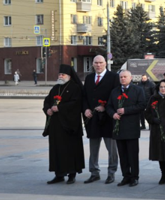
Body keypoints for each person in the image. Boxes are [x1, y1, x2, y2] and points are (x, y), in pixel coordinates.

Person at [43, 64, 85, 184]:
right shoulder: (55, 88)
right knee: (57, 150)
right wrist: (48, 109)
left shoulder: (75, 88)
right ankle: (59, 174)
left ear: (69, 76)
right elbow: (47, 101)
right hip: (56, 127)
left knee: (71, 150)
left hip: (70, 126)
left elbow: (76, 104)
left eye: (63, 74)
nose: (60, 76)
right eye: (59, 74)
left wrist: (59, 108)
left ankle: (72, 174)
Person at [81, 55, 120, 184]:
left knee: (112, 149)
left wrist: (106, 107)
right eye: (96, 63)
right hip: (92, 119)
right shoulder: (89, 78)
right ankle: (94, 172)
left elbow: (116, 96)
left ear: (105, 64)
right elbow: (84, 96)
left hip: (108, 118)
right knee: (93, 148)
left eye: (100, 62)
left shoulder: (113, 77)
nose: (98, 65)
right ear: (93, 64)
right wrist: (85, 109)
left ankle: (111, 173)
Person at [105, 70, 147, 187]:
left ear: (130, 78)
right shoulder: (115, 91)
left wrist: (126, 110)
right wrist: (113, 114)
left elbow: (142, 105)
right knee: (122, 154)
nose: (122, 79)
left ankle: (134, 177)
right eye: (121, 77)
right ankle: (126, 176)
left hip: (131, 127)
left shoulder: (138, 90)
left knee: (132, 154)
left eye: (125, 77)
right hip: (118, 128)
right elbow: (108, 106)